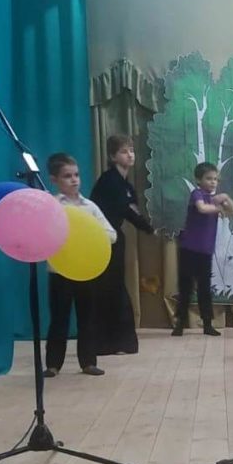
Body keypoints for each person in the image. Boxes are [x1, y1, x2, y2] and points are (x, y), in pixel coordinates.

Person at [43, 153, 116, 378]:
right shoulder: (52, 206)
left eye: (76, 175)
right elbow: (44, 234)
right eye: (67, 176)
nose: (74, 180)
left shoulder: (90, 207)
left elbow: (111, 234)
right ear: (54, 180)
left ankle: (88, 362)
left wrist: (89, 234)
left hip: (86, 271)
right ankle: (53, 364)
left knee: (87, 317)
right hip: (60, 272)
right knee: (59, 318)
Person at [90, 135, 155, 355]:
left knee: (115, 286)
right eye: (124, 151)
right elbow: (124, 209)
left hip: (115, 238)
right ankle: (105, 343)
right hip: (101, 240)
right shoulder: (108, 181)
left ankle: (120, 342)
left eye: (131, 150)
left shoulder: (125, 184)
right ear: (112, 156)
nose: (130, 155)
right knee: (107, 288)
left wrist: (147, 228)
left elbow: (132, 210)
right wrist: (147, 228)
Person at [173, 162, 233, 337]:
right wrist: (218, 207)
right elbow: (202, 208)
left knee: (205, 288)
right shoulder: (197, 194)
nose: (213, 182)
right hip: (189, 248)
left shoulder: (216, 198)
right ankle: (179, 323)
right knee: (185, 287)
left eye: (215, 179)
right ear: (198, 180)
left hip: (205, 251)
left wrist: (225, 197)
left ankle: (207, 324)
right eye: (209, 178)